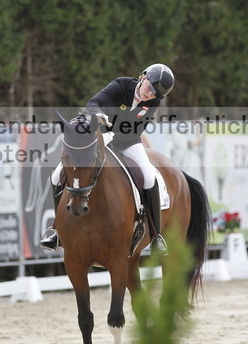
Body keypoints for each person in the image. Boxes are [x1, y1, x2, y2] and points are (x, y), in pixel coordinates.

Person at [39, 63, 175, 254]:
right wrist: (98, 114)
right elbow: (92, 103)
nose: (150, 95)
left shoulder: (153, 102)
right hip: (97, 135)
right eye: (150, 88)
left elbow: (136, 130)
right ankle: (57, 231)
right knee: (56, 176)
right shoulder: (121, 85)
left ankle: (155, 236)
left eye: (155, 94)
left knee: (148, 177)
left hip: (127, 142)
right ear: (143, 77)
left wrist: (112, 136)